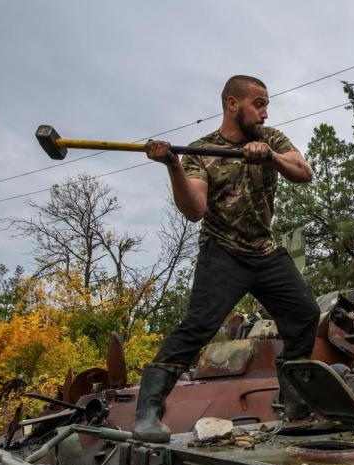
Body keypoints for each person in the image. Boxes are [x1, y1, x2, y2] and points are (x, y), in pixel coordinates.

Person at [136, 75, 318, 442]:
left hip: (264, 252)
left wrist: (273, 158)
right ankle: (148, 413)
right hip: (223, 252)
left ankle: (296, 410)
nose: (265, 112)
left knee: (305, 314)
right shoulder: (202, 150)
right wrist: (173, 164)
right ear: (233, 103)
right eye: (259, 103)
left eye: (267, 104)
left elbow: (304, 172)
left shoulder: (271, 139)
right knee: (198, 327)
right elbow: (194, 210)